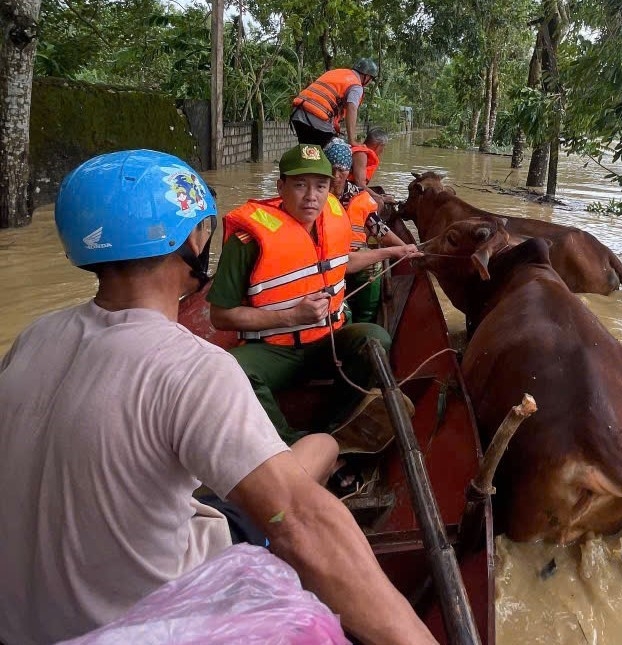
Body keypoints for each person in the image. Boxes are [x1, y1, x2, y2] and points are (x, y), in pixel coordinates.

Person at [0, 150, 436, 645]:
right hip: (148, 619)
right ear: (189, 238)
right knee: (320, 449)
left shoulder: (32, 338)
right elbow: (301, 524)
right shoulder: (193, 369)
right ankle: (330, 447)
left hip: (22, 622)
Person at [207, 143, 420, 442]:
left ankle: (334, 427)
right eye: (300, 185)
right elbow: (220, 317)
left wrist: (396, 251)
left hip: (327, 342)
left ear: (330, 187)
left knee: (375, 339)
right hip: (275, 350)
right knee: (229, 370)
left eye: (321, 186)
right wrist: (291, 316)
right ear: (281, 187)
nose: (312, 196)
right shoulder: (247, 241)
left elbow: (343, 263)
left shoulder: (332, 218)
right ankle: (290, 443)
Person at [324, 138, 406, 323]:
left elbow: (379, 229)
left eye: (342, 170)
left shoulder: (358, 196)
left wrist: (405, 248)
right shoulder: (316, 195)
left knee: (373, 265)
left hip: (354, 259)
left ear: (349, 171)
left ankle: (365, 321)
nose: (336, 175)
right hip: (325, 261)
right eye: (331, 169)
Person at [290, 58, 378, 148]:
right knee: (329, 152)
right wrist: (352, 140)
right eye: (371, 79)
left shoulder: (337, 73)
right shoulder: (356, 86)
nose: (370, 82)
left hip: (297, 112)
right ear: (367, 76)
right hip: (317, 117)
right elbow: (352, 108)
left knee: (308, 151)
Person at [349, 126, 397, 210]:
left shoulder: (363, 152)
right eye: (383, 147)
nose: (382, 151)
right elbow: (359, 184)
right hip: (347, 188)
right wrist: (380, 198)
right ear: (379, 146)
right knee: (378, 202)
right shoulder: (361, 154)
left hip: (352, 186)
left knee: (379, 193)